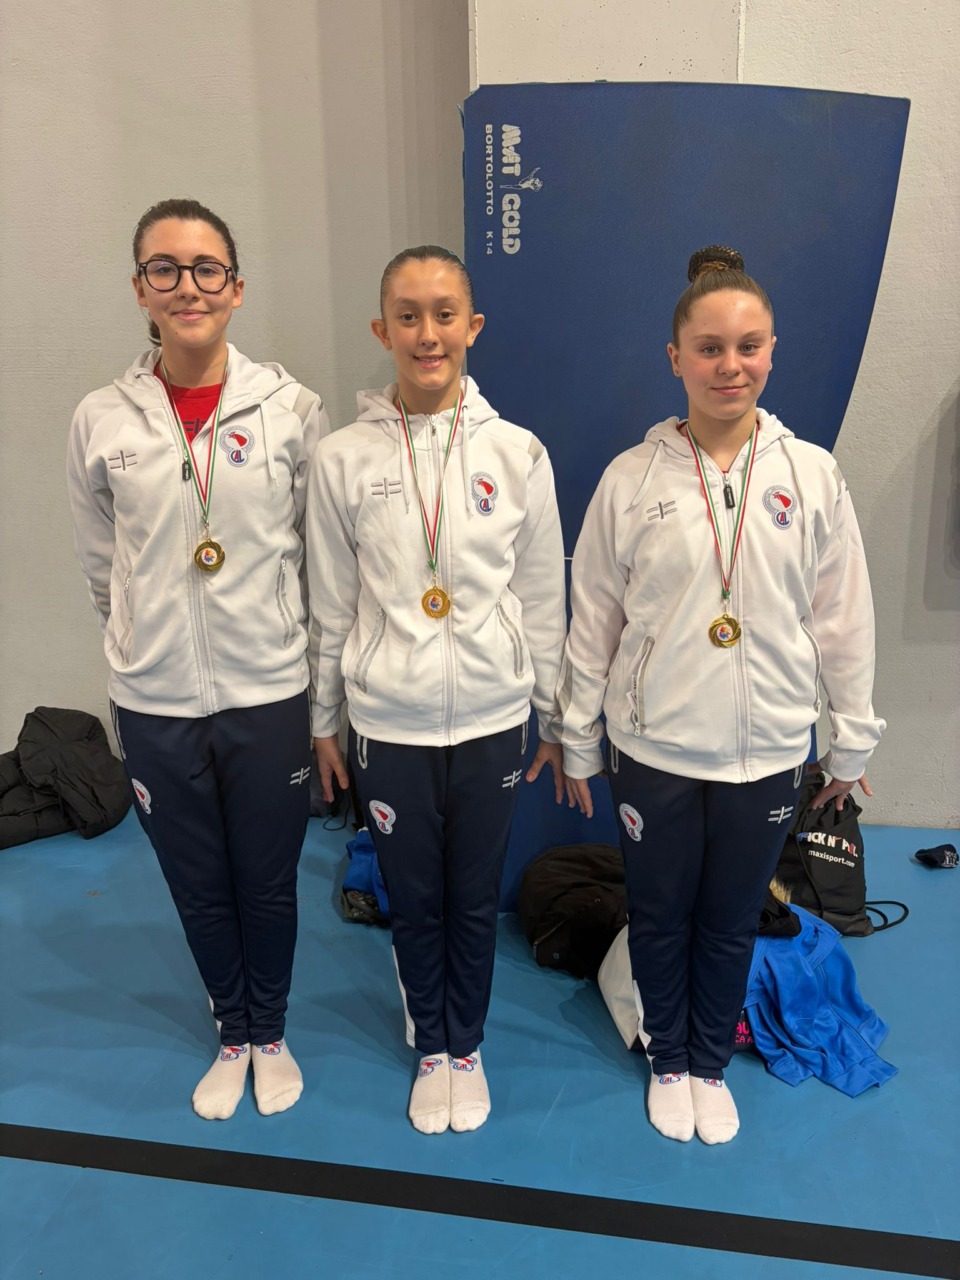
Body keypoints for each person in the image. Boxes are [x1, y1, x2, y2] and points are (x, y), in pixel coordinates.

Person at [560, 245, 884, 1144]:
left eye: (747, 346)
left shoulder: (810, 475)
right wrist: (577, 735)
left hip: (769, 747)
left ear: (773, 350)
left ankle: (709, 1059)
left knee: (733, 917)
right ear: (676, 357)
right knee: (661, 914)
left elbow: (844, 617)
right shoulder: (631, 479)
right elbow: (594, 616)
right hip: (655, 747)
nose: (729, 365)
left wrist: (852, 737)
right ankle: (669, 1057)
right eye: (709, 348)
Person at [67, 198, 328, 1120]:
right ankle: (234, 1030)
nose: (188, 286)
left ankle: (273, 1031)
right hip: (156, 699)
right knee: (197, 882)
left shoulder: (292, 411)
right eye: (165, 268)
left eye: (206, 268)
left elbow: (318, 562)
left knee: (267, 879)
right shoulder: (101, 419)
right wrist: (142, 643)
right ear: (140, 288)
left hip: (267, 692)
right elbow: (103, 565)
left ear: (237, 287)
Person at [306, 245, 568, 1134]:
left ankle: (468, 1044)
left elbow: (542, 598)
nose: (428, 334)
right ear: (382, 329)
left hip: (493, 716)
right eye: (409, 316)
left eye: (445, 314)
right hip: (390, 719)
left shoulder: (518, 453)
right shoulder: (342, 460)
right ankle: (432, 1044)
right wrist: (324, 718)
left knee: (474, 891)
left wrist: (554, 717)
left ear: (473, 327)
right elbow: (331, 600)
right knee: (415, 896)